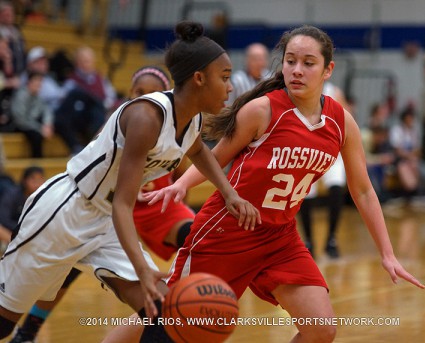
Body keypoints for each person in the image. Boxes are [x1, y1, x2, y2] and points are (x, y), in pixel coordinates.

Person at [146, 24, 425, 342]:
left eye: (308, 63)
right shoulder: (262, 111)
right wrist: (182, 184)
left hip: (279, 237)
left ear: (327, 69)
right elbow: (218, 157)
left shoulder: (341, 122)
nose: (297, 70)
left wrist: (387, 253)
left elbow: (361, 189)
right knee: (168, 317)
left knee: (321, 330)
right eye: (290, 61)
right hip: (228, 231)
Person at [0, 21, 260, 342]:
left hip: (104, 221)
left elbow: (200, 153)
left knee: (162, 310)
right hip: (64, 213)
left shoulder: (190, 118)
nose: (231, 86)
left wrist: (229, 193)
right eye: (224, 78)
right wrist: (142, 268)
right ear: (199, 78)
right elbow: (124, 204)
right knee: (3, 323)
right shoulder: (146, 117)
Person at [8, 65, 195, 343]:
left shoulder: (173, 127)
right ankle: (28, 331)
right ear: (130, 94)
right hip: (106, 208)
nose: (143, 97)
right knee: (68, 267)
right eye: (138, 92)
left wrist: (176, 193)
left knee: (194, 235)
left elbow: (183, 169)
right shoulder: (118, 123)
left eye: (152, 93)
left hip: (151, 208)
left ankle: (192, 295)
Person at [298, 81, 349, 258]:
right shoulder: (297, 93)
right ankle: (309, 241)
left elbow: (347, 120)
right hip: (306, 152)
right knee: (304, 195)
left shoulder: (333, 92)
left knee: (336, 188)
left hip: (331, 152)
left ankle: (331, 239)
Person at [10, 71, 54, 157]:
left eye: (40, 81)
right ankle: (37, 161)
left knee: (58, 125)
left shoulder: (38, 97)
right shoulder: (21, 95)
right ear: (29, 82)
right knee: (36, 136)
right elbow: (20, 120)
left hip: (33, 124)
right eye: (36, 81)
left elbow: (47, 110)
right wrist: (40, 128)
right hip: (19, 125)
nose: (39, 84)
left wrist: (47, 124)